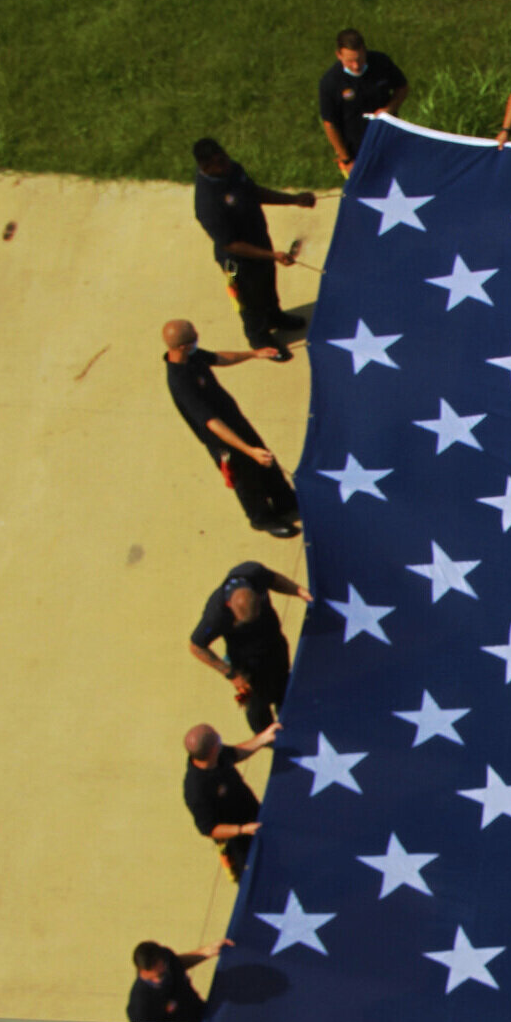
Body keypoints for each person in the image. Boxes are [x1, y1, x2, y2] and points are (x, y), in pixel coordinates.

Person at [163, 320, 300, 536]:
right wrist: (248, 450)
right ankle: (262, 518)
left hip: (235, 422)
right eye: (193, 337)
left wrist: (253, 354)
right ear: (181, 346)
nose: (198, 338)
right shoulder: (180, 381)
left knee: (267, 463)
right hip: (223, 440)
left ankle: (285, 501)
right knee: (246, 479)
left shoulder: (192, 356)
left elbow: (218, 358)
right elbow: (211, 423)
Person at [191, 139, 314, 356]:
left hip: (259, 242)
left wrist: (293, 200)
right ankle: (260, 340)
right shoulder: (208, 202)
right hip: (240, 261)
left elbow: (254, 192)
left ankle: (275, 316)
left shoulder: (232, 170)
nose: (226, 163)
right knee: (250, 302)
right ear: (205, 167)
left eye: (225, 156)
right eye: (219, 163)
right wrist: (271, 255)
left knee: (267, 285)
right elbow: (230, 244)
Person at [190, 562, 309, 733]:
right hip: (248, 663)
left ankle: (288, 716)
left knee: (284, 683)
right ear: (230, 606)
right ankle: (267, 735)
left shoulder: (253, 574)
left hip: (275, 646)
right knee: (257, 704)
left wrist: (298, 591)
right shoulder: (216, 615)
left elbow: (274, 580)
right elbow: (196, 646)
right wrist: (231, 675)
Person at [184, 720, 280, 881]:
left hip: (254, 815)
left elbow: (236, 753)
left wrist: (263, 738)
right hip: (238, 842)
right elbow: (209, 828)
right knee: (254, 877)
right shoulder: (196, 790)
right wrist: (242, 830)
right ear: (213, 749)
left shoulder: (217, 756)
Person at [317, 28, 408, 175]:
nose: (356, 66)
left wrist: (390, 108)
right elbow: (329, 124)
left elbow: (402, 87)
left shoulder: (381, 62)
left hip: (389, 143)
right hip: (356, 152)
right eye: (349, 61)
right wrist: (346, 159)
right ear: (338, 55)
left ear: (365, 51)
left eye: (359, 59)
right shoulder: (330, 82)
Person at [128, 938, 230, 1022]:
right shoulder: (140, 1007)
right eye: (157, 976)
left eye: (164, 971)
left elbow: (178, 963)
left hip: (203, 1012)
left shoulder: (167, 958)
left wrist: (206, 952)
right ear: (141, 971)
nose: (161, 979)